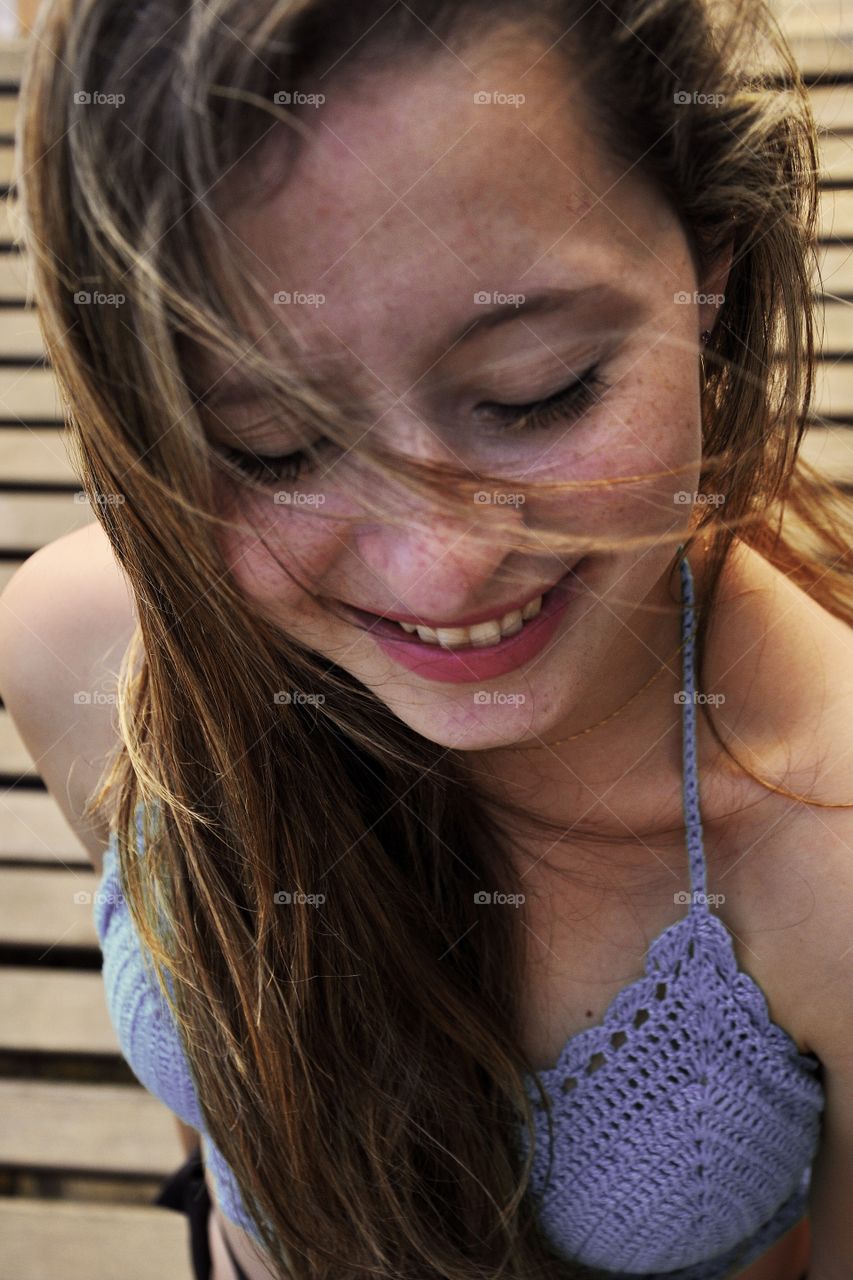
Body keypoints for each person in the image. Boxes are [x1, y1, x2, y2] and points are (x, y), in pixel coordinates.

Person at [5, 0, 852, 1277]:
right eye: (267, 445)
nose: (438, 564)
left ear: (711, 267)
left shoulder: (825, 851)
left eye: (539, 388)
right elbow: (227, 1118)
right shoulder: (83, 642)